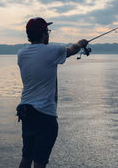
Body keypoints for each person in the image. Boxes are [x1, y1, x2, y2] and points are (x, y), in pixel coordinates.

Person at [16, 17, 88, 168]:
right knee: (40, 162)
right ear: (43, 34)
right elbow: (72, 50)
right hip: (45, 115)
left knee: (27, 157)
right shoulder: (52, 51)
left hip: (26, 112)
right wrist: (81, 43)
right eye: (47, 31)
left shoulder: (21, 54)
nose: (49, 34)